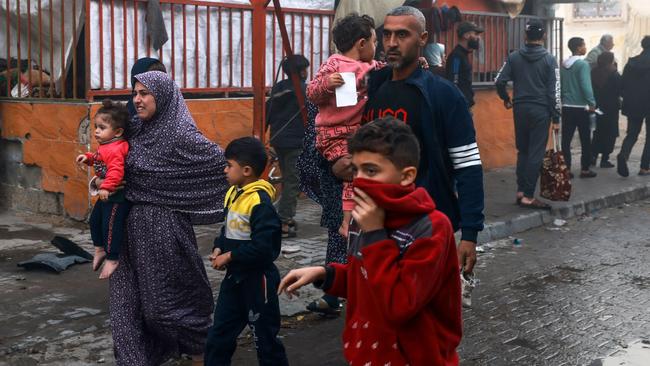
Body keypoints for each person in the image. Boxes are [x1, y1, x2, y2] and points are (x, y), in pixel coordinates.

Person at [279, 117, 462, 366]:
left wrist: (375, 234)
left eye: (371, 171)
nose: (359, 181)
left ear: (406, 176)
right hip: (366, 354)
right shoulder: (365, 217)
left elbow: (399, 305)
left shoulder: (431, 228)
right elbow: (365, 279)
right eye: (355, 170)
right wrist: (326, 274)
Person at [109, 71, 229, 365]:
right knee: (126, 306)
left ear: (162, 96)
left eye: (144, 93)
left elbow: (222, 163)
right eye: (135, 93)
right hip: (128, 229)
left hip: (163, 229)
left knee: (163, 305)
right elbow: (111, 161)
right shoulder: (135, 128)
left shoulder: (179, 133)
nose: (137, 100)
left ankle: (202, 352)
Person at [363, 6, 484, 277]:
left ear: (422, 38)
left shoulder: (443, 95)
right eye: (387, 35)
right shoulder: (376, 88)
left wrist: (470, 233)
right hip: (376, 222)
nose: (392, 43)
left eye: (402, 35)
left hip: (423, 226)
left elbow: (468, 164)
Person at [205, 137, 289, 366]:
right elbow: (228, 228)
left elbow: (265, 249)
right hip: (234, 280)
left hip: (258, 281)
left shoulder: (260, 202)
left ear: (246, 170)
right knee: (218, 336)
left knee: (265, 340)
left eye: (228, 165)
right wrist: (219, 246)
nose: (224, 170)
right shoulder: (233, 193)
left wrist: (230, 256)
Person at [307, 13, 381, 238]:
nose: (377, 46)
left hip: (354, 136)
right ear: (362, 43)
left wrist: (417, 62)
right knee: (353, 172)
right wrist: (326, 84)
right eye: (375, 41)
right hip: (332, 137)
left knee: (356, 173)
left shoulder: (372, 66)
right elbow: (311, 92)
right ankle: (346, 222)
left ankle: (349, 222)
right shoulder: (334, 63)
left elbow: (389, 69)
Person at [495, 19, 561, 209]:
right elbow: (554, 91)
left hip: (520, 109)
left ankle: (521, 191)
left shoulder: (514, 57)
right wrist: (556, 117)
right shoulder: (550, 59)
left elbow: (499, 80)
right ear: (544, 36)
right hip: (541, 110)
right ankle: (528, 196)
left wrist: (506, 99)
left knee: (523, 151)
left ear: (525, 36)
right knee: (535, 153)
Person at [75, 100, 130, 279]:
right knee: (94, 220)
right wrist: (88, 157)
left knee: (110, 226)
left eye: (102, 127)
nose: (97, 131)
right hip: (106, 194)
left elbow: (116, 171)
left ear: (118, 131)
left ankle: (112, 258)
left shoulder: (117, 149)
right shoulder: (107, 146)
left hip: (116, 197)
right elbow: (99, 159)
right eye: (96, 127)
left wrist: (105, 186)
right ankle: (99, 249)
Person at [266, 55, 309, 238]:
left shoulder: (278, 88)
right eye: (305, 69)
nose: (307, 72)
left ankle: (282, 215)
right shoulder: (303, 90)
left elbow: (268, 111)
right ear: (300, 71)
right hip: (295, 142)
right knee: (293, 181)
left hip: (278, 140)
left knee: (287, 179)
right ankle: (284, 221)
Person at [561, 37, 598, 178]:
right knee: (585, 139)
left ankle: (567, 169)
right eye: (584, 45)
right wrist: (592, 102)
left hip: (567, 106)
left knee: (566, 139)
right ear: (578, 48)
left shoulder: (564, 64)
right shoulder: (582, 65)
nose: (585, 48)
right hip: (581, 107)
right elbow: (585, 85)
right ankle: (585, 169)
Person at [617, 36, 650, 177]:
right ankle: (644, 167)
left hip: (633, 104)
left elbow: (622, 84)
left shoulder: (631, 62)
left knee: (632, 134)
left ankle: (623, 155)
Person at [591, 51, 622, 168]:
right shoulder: (614, 73)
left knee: (598, 132)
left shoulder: (593, 72)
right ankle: (605, 159)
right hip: (611, 108)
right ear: (611, 60)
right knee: (610, 133)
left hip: (597, 107)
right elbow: (620, 89)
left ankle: (593, 156)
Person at [446, 21, 484, 108]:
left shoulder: (463, 55)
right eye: (476, 34)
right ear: (466, 35)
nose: (479, 38)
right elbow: (454, 82)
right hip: (459, 107)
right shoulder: (456, 56)